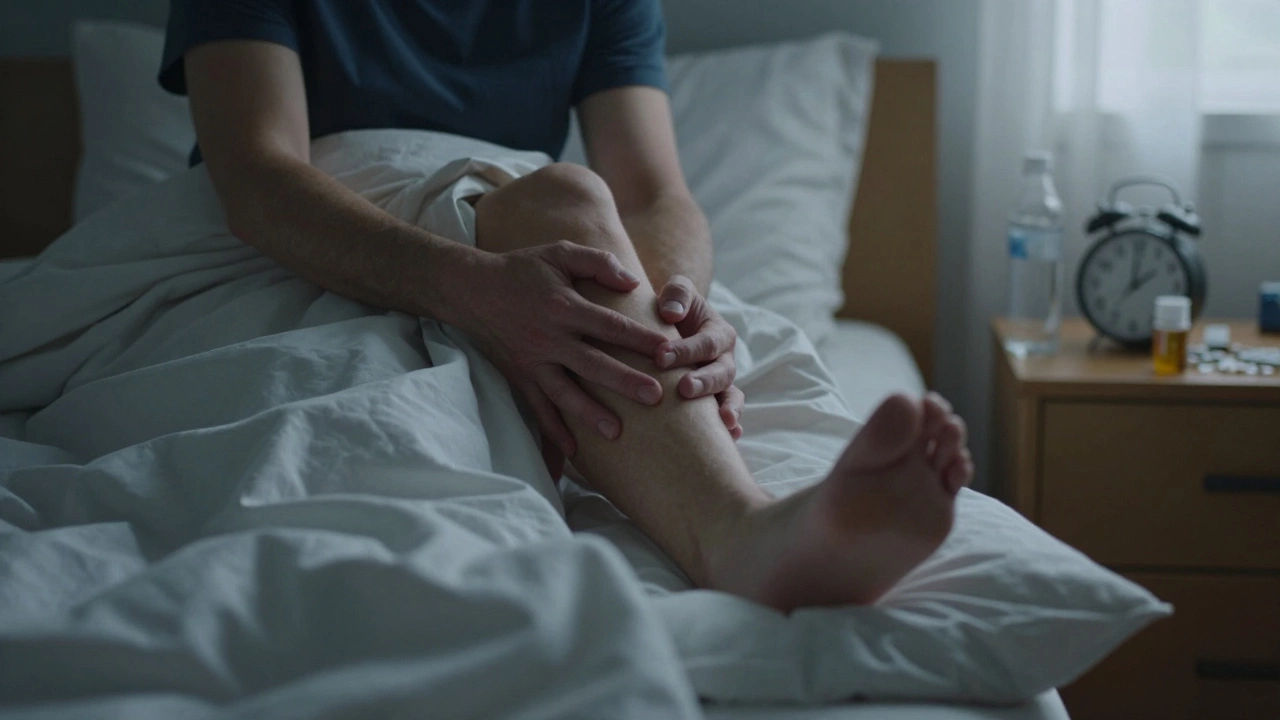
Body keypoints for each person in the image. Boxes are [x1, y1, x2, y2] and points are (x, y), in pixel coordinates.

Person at [161, 0, 974, 612]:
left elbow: (656, 195)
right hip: (289, 256)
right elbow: (258, 175)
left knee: (574, 220)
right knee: (567, 202)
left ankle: (741, 530)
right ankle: (734, 533)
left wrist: (676, 310)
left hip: (511, 254)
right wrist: (466, 288)